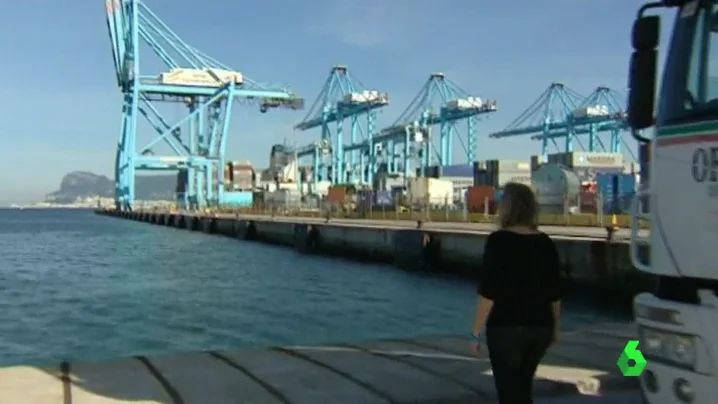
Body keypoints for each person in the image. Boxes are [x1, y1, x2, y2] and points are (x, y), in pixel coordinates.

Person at [469, 182, 563, 404]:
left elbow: (488, 292)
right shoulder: (546, 243)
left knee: (509, 392)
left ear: (507, 208)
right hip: (540, 327)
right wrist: (556, 329)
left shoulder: (497, 241)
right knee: (523, 387)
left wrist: (475, 332)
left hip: (506, 328)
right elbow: (555, 293)